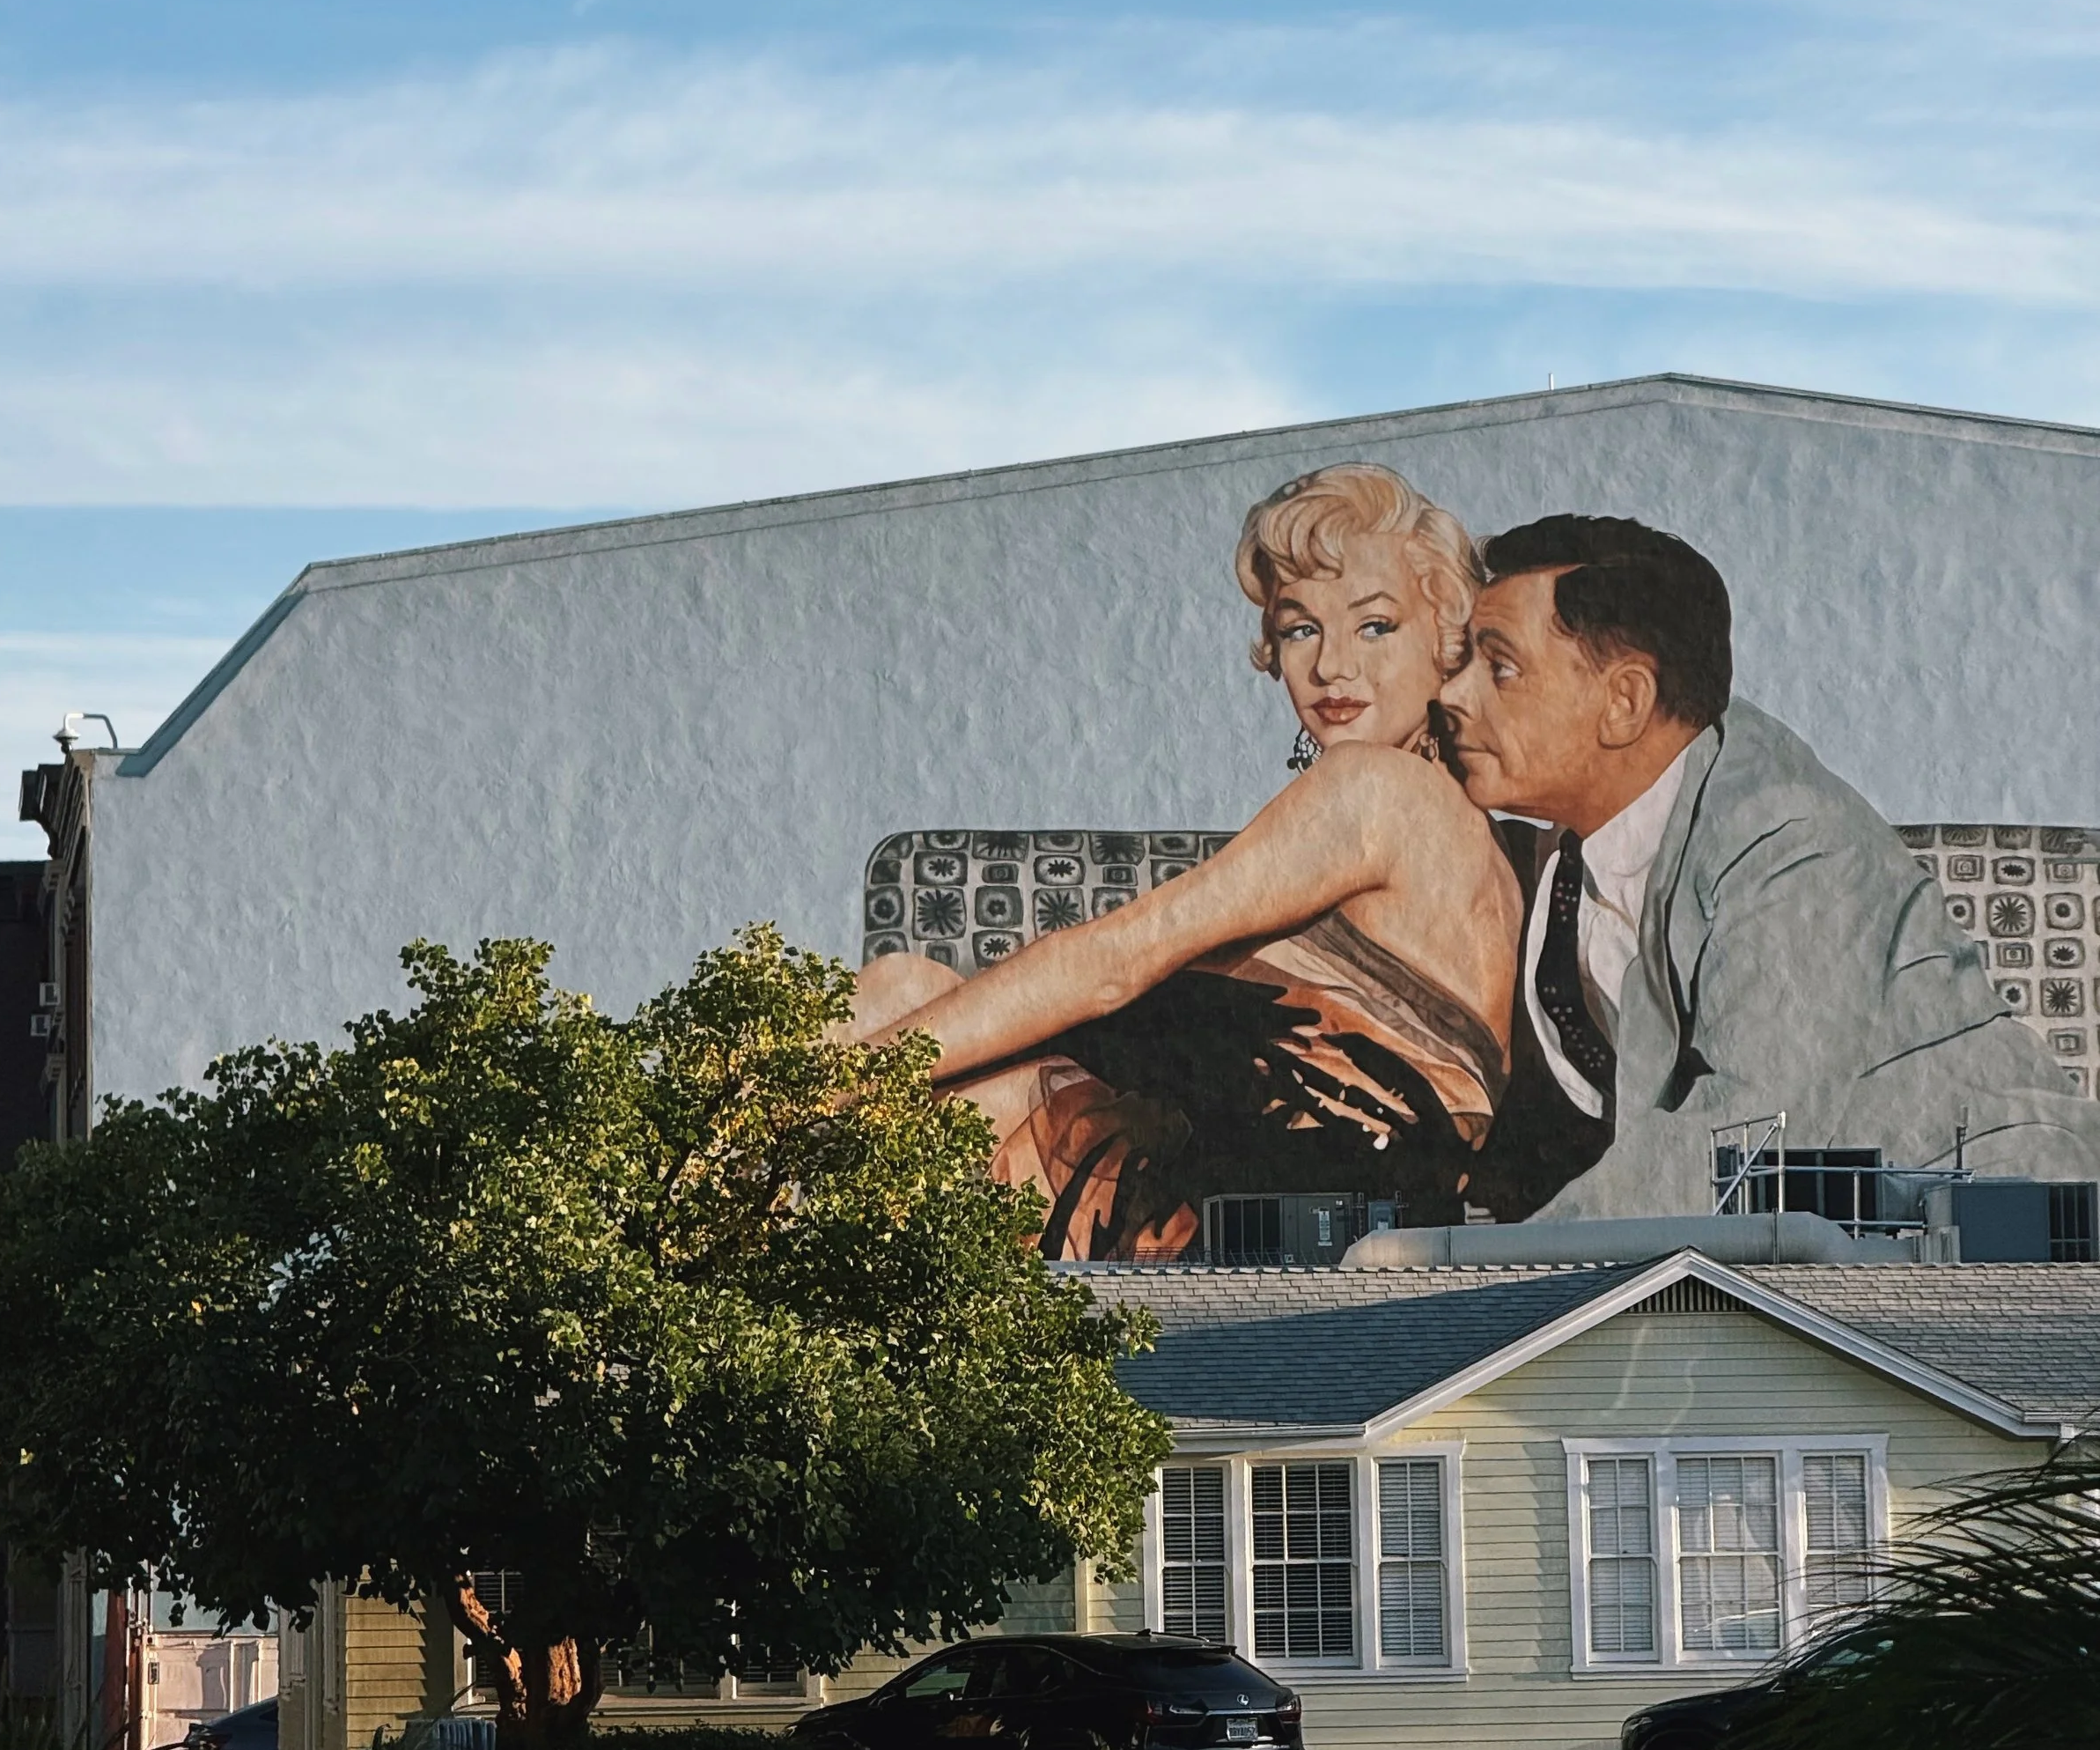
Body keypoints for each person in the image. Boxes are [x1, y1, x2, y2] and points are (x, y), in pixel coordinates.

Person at [853, 464, 1523, 1258]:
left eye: (1375, 626)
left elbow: (1115, 962)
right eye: (1301, 629)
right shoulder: (1477, 841)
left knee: (876, 1015)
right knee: (904, 993)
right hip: (1315, 1209)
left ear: (1444, 639)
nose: (1332, 666)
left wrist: (830, 1084)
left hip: (1256, 1222)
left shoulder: (1375, 791)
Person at [1447, 515, 2100, 1216]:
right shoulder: (1569, 851)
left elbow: (1746, 1132)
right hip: (1798, 1228)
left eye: (1501, 669)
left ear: (1625, 702)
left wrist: (1505, 1262)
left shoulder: (1790, 840)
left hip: (1994, 1220)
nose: (1453, 695)